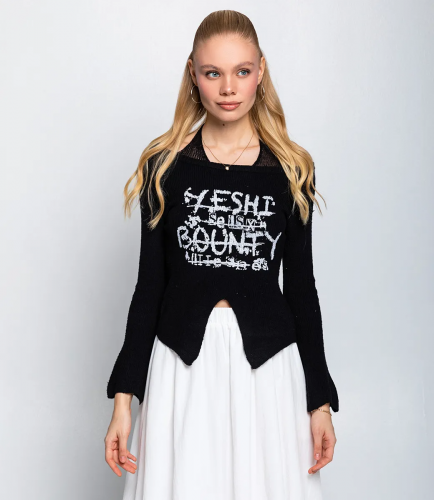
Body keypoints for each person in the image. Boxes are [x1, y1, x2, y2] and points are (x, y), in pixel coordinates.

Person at [104, 10, 339, 500]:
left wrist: (319, 400)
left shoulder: (291, 170)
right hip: (182, 367)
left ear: (261, 71)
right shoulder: (164, 168)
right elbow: (149, 287)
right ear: (193, 74)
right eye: (213, 73)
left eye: (242, 71)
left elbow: (302, 288)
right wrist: (124, 399)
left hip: (267, 369)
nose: (228, 88)